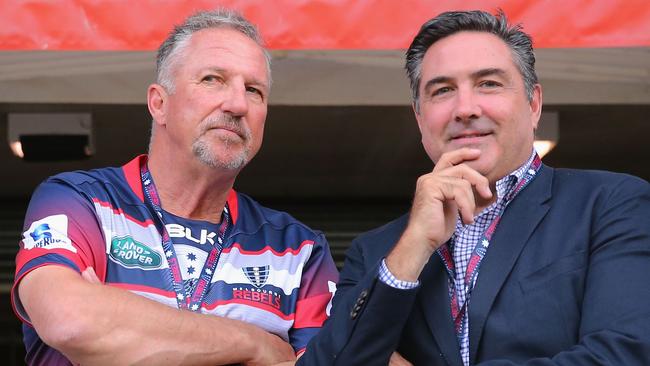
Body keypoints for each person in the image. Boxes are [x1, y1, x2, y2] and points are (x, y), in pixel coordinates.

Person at [300, 10, 650, 366]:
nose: (465, 108)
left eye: (489, 84)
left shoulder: (612, 205)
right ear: (420, 118)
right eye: (443, 90)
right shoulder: (376, 252)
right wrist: (415, 246)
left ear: (533, 104)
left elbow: (624, 354)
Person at [12, 9, 338, 366]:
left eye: (254, 90)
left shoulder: (299, 248)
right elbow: (70, 322)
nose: (237, 104)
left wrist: (119, 324)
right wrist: (256, 344)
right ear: (159, 103)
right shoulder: (78, 200)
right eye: (213, 79)